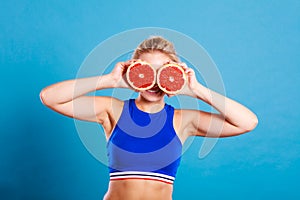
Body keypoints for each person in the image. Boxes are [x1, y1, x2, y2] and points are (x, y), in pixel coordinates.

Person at [40, 36, 258, 200]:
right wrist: (110, 80)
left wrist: (196, 90)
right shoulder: (112, 110)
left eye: (162, 72)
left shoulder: (183, 120)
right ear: (133, 71)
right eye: (147, 72)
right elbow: (50, 97)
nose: (153, 81)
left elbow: (248, 122)